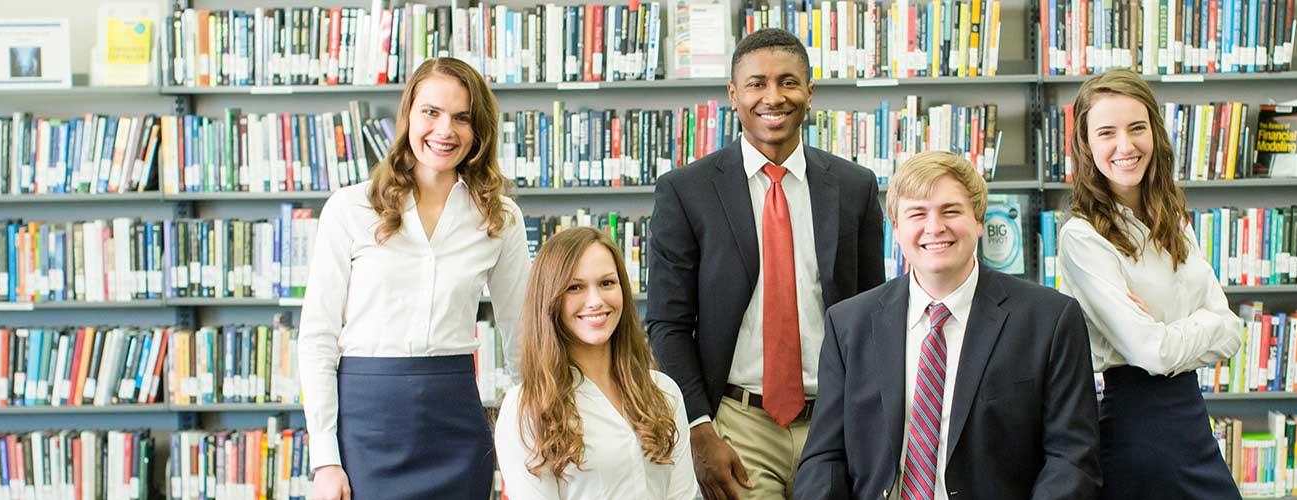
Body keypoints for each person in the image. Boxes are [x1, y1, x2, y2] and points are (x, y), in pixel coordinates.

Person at [646, 28, 887, 500]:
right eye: (756, 84)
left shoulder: (855, 187)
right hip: (739, 422)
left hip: (833, 421)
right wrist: (698, 427)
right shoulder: (686, 191)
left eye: (788, 82)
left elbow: (873, 313)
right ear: (733, 96)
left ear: (810, 93)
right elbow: (668, 324)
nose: (773, 97)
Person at [796, 151, 1101, 500]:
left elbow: (1072, 459)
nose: (934, 227)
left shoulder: (1050, 319)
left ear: (979, 221)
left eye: (950, 211)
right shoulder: (849, 324)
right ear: (895, 229)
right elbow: (825, 458)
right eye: (917, 214)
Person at [297, 57, 530, 500]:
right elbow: (317, 339)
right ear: (408, 115)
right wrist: (325, 460)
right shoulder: (350, 209)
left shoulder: (500, 218)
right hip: (365, 423)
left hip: (454, 419)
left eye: (462, 118)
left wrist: (533, 433)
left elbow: (522, 337)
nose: (445, 130)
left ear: (479, 131)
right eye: (431, 112)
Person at [1055, 69, 1245, 500]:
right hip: (1137, 428)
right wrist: (1200, 325)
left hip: (1191, 419)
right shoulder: (1083, 237)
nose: (1126, 145)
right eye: (1107, 132)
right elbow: (1152, 353)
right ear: (1086, 145)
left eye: (1137, 128)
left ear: (1155, 134)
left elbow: (1231, 330)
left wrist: (1169, 329)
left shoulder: (1172, 219)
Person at [495, 227, 695, 500]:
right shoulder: (526, 408)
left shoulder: (664, 392)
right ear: (550, 300)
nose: (595, 301)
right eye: (575, 287)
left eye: (607, 283)